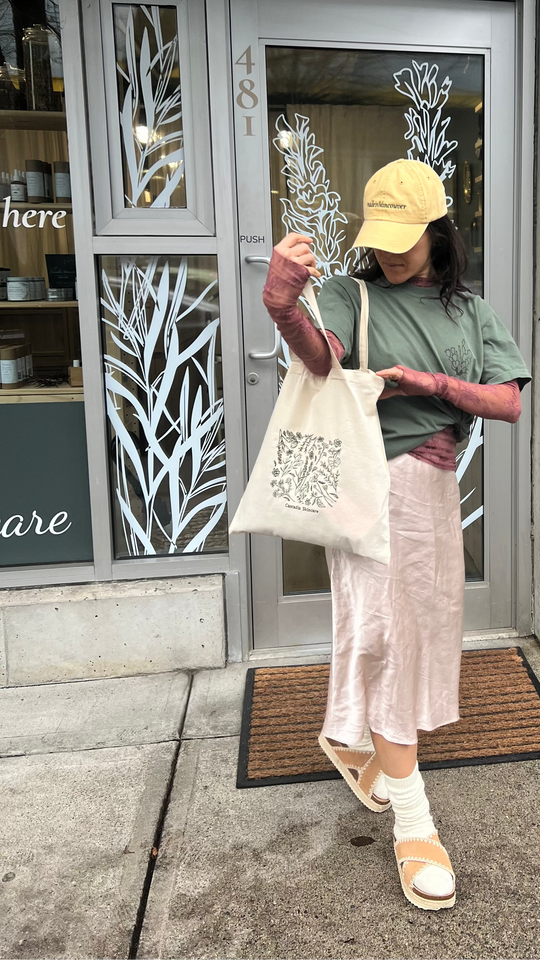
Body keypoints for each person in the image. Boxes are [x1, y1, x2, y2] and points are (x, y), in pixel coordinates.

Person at [261, 158, 531, 912]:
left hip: (434, 498)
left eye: (405, 239)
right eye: (379, 239)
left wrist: (432, 386)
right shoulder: (350, 295)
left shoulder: (469, 311)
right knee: (387, 639)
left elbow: (506, 402)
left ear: (440, 229)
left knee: (411, 636)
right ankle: (416, 828)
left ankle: (353, 742)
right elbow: (323, 360)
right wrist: (284, 306)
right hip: (369, 495)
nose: (390, 252)